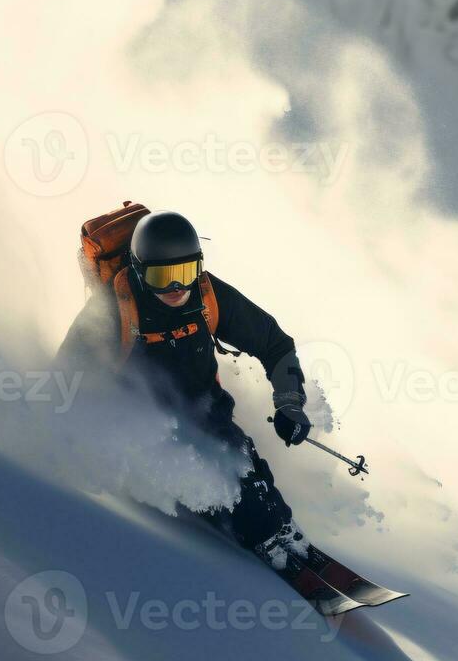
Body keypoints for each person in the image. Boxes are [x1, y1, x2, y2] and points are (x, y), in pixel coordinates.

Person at [55, 209, 315, 572]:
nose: (177, 288)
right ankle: (263, 537)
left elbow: (274, 343)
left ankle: (281, 533)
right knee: (236, 495)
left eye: (186, 273)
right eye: (163, 277)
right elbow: (64, 381)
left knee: (252, 473)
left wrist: (290, 403)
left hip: (208, 412)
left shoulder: (207, 294)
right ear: (140, 271)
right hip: (149, 434)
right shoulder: (112, 313)